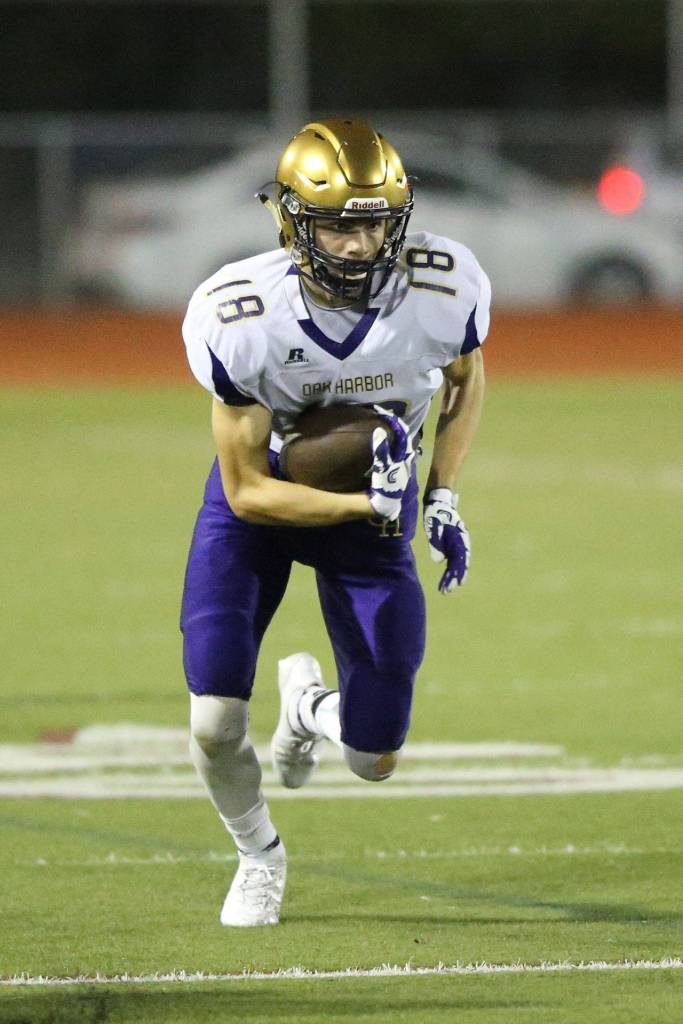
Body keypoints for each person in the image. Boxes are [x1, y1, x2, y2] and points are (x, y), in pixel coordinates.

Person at [180, 118, 489, 927]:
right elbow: (246, 491)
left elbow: (464, 379)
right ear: (292, 221)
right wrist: (370, 502)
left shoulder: (443, 284)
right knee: (213, 721)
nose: (358, 245)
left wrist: (443, 493)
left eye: (374, 222)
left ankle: (311, 709)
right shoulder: (238, 314)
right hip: (270, 506)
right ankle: (258, 856)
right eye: (337, 224)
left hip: (372, 515)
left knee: (374, 757)